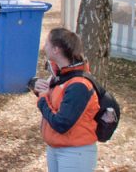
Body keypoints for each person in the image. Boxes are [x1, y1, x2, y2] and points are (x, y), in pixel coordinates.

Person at [32, 27, 101, 172]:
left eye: (47, 43)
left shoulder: (79, 85)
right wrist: (38, 88)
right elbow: (56, 101)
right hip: (56, 148)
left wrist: (43, 99)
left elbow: (61, 123)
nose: (44, 47)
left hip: (75, 153)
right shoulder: (61, 76)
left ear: (56, 49)